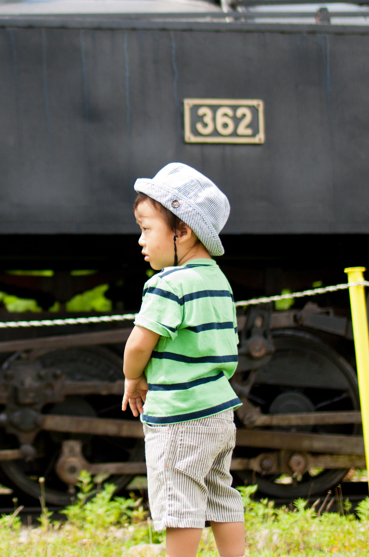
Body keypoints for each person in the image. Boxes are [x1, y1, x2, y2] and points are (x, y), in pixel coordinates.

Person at [122, 162, 245, 557]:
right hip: (219, 414)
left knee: (179, 503)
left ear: (182, 231)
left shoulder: (166, 284)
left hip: (180, 418)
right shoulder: (217, 280)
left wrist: (132, 379)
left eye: (146, 229)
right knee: (220, 493)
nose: (141, 240)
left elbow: (138, 344)